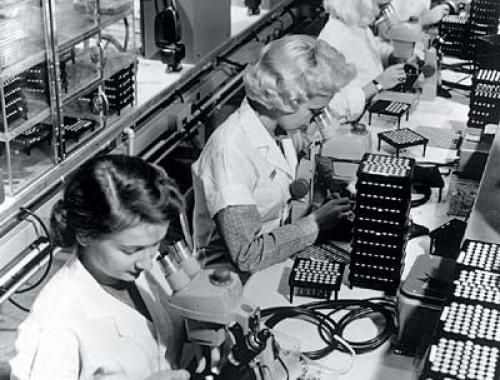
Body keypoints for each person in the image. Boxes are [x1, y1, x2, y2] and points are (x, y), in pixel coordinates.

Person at [10, 154, 190, 380]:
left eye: (155, 244)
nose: (146, 263)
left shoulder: (140, 263)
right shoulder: (56, 322)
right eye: (130, 250)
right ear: (86, 235)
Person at [192, 34, 354, 274]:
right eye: (314, 111)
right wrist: (316, 223)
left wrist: (329, 177)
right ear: (286, 98)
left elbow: (305, 156)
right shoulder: (230, 153)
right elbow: (247, 255)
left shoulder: (280, 127)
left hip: (277, 253)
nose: (315, 119)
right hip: (231, 279)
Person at [319, 0, 407, 121]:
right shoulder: (332, 40)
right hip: (353, 122)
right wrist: (377, 84)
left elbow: (368, 50)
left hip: (374, 106)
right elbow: (331, 108)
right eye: (379, 5)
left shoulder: (355, 24)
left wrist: (392, 55)